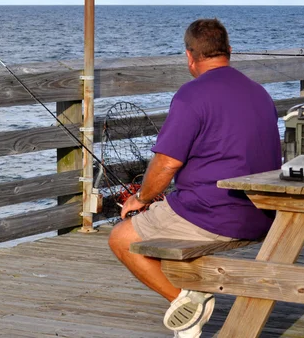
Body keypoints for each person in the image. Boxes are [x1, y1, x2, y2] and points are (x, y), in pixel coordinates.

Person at [108, 18, 282, 338]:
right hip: (265, 215)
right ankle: (189, 301)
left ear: (190, 56)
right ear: (229, 51)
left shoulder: (191, 95)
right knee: (169, 218)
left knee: (121, 238)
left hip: (213, 214)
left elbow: (167, 163)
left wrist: (142, 198)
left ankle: (187, 302)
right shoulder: (260, 93)